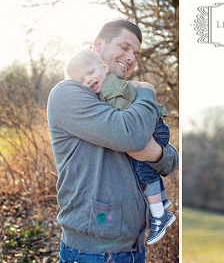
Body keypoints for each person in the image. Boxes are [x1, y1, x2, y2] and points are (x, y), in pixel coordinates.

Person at [48, 20, 178, 262]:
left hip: (134, 247)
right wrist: (147, 90)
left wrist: (155, 154)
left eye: (136, 53)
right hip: (92, 252)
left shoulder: (124, 95)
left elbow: (171, 161)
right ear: (99, 45)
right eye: (125, 47)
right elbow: (133, 135)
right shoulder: (69, 93)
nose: (131, 57)